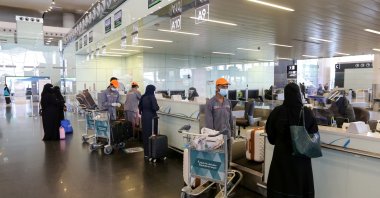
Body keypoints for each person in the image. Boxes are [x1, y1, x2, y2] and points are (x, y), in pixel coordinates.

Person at [265, 83, 318, 198]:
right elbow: (314, 134)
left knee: (280, 186)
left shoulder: (277, 112)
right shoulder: (307, 112)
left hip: (281, 158)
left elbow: (271, 138)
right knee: (300, 187)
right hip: (301, 161)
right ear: (299, 94)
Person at [205, 78, 234, 167]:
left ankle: (227, 176)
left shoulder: (228, 102)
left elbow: (230, 119)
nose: (225, 89)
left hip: (227, 136)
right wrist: (212, 138)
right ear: (217, 88)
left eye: (226, 87)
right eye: (223, 87)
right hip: (216, 137)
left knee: (227, 157)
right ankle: (217, 179)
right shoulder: (210, 103)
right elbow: (209, 123)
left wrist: (232, 133)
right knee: (216, 158)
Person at [138, 85, 159, 158]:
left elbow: (140, 107)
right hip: (151, 118)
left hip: (144, 117)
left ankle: (146, 153)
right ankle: (153, 152)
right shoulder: (152, 97)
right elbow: (155, 108)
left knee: (145, 134)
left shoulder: (143, 96)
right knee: (152, 134)